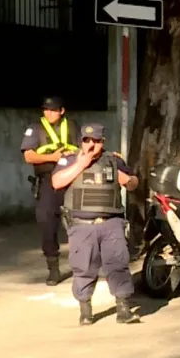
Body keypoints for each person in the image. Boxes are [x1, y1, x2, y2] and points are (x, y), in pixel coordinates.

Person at [50, 124, 141, 326]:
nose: (92, 144)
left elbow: (134, 184)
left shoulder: (114, 160)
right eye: (87, 140)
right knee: (83, 266)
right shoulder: (69, 159)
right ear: (81, 141)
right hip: (82, 224)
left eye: (97, 141)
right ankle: (85, 311)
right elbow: (56, 182)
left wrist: (125, 177)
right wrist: (81, 164)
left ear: (103, 142)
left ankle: (123, 309)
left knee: (118, 264)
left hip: (111, 223)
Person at [20, 96, 79, 286]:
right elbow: (28, 156)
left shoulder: (72, 126)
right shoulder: (35, 129)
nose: (49, 113)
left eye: (53, 110)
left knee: (80, 219)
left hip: (72, 176)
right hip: (48, 179)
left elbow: (86, 149)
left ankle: (83, 263)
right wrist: (52, 157)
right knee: (45, 218)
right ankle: (53, 267)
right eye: (46, 109)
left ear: (62, 111)